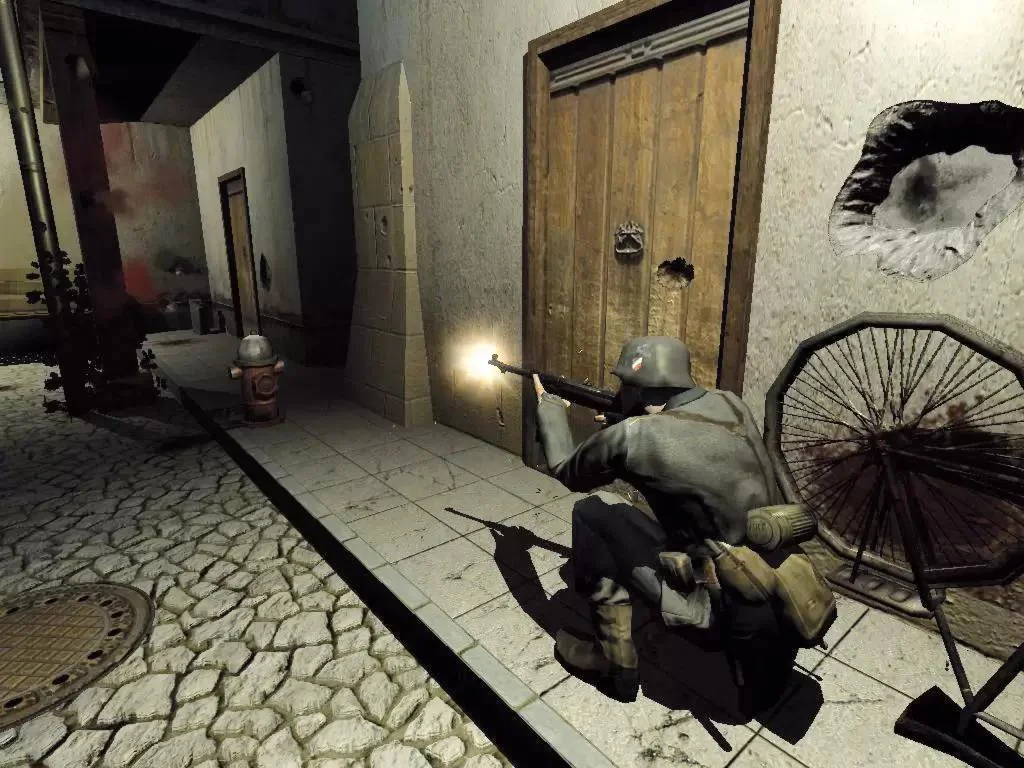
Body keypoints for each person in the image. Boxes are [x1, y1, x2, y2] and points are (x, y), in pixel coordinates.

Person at [533, 336, 798, 705]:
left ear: (639, 389)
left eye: (625, 384)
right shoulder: (730, 403)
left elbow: (567, 469)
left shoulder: (635, 436)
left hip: (712, 610)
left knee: (593, 512)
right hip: (771, 585)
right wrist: (627, 421)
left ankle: (613, 664)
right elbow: (692, 444)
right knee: (637, 514)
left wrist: (549, 408)